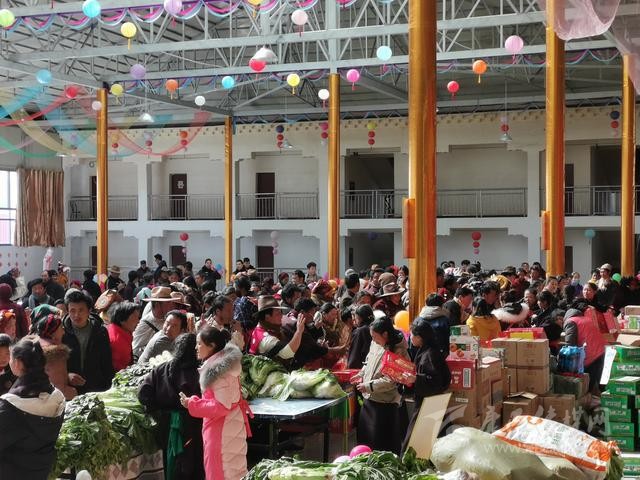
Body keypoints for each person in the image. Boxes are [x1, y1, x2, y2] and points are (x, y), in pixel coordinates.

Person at [180, 326, 252, 480]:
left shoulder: (218, 372)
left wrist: (192, 404)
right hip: (230, 424)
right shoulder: (223, 365)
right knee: (234, 471)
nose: (196, 347)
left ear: (212, 346)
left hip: (222, 430)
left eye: (199, 343)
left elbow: (221, 407)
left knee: (220, 472)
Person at [139, 333, 204, 480]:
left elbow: (143, 394)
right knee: (192, 464)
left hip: (166, 424)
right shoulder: (199, 373)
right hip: (192, 425)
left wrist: (158, 409)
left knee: (171, 462)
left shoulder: (160, 370)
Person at [0, 338, 65, 479]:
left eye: (10, 357)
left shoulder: (11, 407)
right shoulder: (57, 397)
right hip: (41, 470)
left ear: (17, 363)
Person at [354, 315, 409, 455]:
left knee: (383, 445)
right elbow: (368, 361)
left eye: (375, 337)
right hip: (369, 399)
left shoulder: (399, 350)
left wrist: (369, 386)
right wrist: (361, 374)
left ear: (385, 334)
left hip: (386, 403)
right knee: (366, 441)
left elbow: (391, 381)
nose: (373, 340)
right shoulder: (376, 343)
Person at [401, 317, 450, 452]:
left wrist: (415, 379)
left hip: (428, 405)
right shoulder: (429, 350)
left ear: (420, 337)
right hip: (431, 403)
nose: (410, 337)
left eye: (412, 334)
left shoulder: (429, 355)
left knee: (414, 444)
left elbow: (435, 381)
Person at [62, 289, 114, 394]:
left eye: (81, 310)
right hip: (71, 389)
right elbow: (54, 364)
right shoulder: (61, 332)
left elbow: (106, 362)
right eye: (72, 311)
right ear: (67, 311)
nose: (76, 315)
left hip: (96, 387)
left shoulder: (100, 331)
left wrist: (110, 388)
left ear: (89, 310)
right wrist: (66, 375)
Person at [31, 305, 77, 400]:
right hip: (57, 402)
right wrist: (73, 393)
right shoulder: (55, 354)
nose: (63, 332)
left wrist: (68, 377)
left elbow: (49, 378)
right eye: (61, 328)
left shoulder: (36, 347)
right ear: (53, 333)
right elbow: (59, 389)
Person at [132, 287, 189, 360]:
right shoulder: (145, 323)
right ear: (157, 305)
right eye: (168, 302)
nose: (171, 305)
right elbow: (135, 350)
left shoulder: (166, 318)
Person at [248, 295, 305, 366]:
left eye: (281, 312)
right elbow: (287, 353)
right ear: (267, 317)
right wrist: (299, 331)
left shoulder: (263, 326)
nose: (281, 316)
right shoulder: (266, 339)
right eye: (278, 314)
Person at [564, 302, 607, 394]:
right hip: (600, 350)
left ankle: (588, 399)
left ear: (560, 318)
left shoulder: (570, 322)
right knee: (596, 380)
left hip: (589, 354)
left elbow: (570, 345)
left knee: (585, 387)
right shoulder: (585, 319)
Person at [107, 302, 140, 372]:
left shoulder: (119, 329)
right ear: (122, 320)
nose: (138, 321)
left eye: (138, 317)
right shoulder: (117, 341)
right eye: (134, 317)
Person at [347, 304, 375, 369]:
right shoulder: (374, 327)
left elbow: (354, 355)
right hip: (372, 364)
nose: (354, 320)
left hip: (361, 367)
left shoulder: (360, 331)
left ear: (360, 318)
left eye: (356, 318)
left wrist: (351, 367)